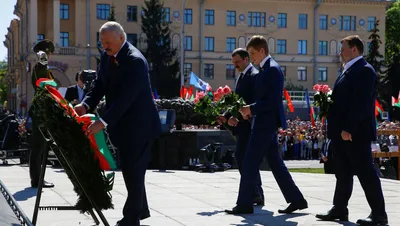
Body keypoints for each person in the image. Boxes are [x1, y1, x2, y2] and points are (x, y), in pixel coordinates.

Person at [74, 21, 161, 226]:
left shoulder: (135, 61)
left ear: (121, 38)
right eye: (102, 42)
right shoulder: (107, 56)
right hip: (124, 126)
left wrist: (102, 122)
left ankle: (131, 219)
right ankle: (142, 209)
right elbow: (100, 85)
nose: (104, 46)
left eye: (108, 42)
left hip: (140, 125)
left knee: (133, 171)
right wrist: (85, 105)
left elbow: (126, 99)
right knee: (132, 171)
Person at [225, 35, 307, 214]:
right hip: (264, 123)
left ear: (262, 50)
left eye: (253, 53)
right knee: (275, 164)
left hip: (265, 123)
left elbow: (271, 101)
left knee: (249, 162)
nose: (252, 57)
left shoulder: (272, 70)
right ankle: (297, 199)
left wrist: (251, 109)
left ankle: (245, 203)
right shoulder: (266, 69)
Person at [316, 35, 388, 225]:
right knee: (343, 172)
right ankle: (339, 209)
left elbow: (361, 103)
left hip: (355, 133)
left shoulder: (364, 70)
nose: (340, 52)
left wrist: (349, 127)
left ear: (354, 49)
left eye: (344, 48)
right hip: (341, 132)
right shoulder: (347, 70)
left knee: (365, 172)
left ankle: (379, 215)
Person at [216, 48, 263, 206]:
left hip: (250, 125)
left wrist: (237, 116)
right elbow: (238, 101)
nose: (234, 64)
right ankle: (256, 193)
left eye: (237, 61)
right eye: (233, 62)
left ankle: (255, 193)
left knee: (245, 158)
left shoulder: (254, 76)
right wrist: (227, 116)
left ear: (246, 59)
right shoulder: (242, 77)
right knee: (244, 158)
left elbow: (253, 101)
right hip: (243, 125)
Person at [28, 39, 55, 188]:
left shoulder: (43, 68)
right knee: (39, 147)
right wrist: (42, 55)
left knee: (41, 147)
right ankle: (37, 180)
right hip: (40, 111)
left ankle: (38, 179)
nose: (50, 55)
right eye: (49, 52)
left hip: (43, 111)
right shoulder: (40, 67)